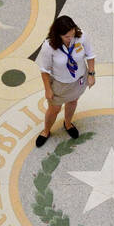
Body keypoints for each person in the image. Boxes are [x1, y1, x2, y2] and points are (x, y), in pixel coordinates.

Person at [35, 15, 95, 147]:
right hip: (60, 83)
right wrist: (47, 89)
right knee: (54, 109)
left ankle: (68, 124)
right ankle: (46, 131)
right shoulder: (49, 46)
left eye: (72, 34)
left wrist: (91, 74)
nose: (70, 38)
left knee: (73, 101)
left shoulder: (81, 36)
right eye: (67, 37)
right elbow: (44, 70)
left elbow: (90, 55)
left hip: (79, 78)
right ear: (58, 35)